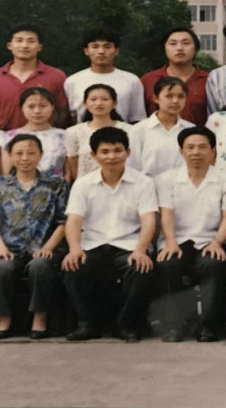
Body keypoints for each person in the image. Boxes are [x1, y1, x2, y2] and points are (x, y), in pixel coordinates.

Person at [62, 127, 157, 342]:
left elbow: (148, 220)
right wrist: (74, 249)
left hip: (129, 244)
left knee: (140, 267)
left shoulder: (143, 182)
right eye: (104, 152)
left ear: (128, 152)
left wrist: (141, 250)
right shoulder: (83, 183)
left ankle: (125, 324)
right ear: (94, 155)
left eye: (117, 150)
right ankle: (88, 324)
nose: (111, 156)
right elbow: (74, 220)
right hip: (92, 243)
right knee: (73, 265)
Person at [154, 126, 226, 343]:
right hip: (178, 239)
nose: (196, 152)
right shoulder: (167, 179)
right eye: (190, 148)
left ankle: (209, 325)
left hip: (213, 239)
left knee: (213, 263)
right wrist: (170, 243)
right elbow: (166, 214)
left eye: (202, 147)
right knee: (168, 264)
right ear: (181, 151)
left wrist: (217, 242)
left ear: (213, 151)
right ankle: (174, 325)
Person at [0, 134, 69, 339]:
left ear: (40, 155)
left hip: (46, 247)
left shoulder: (56, 184)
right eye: (19, 153)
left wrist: (48, 247)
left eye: (31, 153)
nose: (25, 158)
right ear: (10, 155)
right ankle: (4, 319)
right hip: (10, 247)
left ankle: (40, 318)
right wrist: (1, 249)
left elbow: (64, 221)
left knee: (39, 266)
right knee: (1, 268)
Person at [0, 24, 70, 131]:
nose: (24, 45)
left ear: (39, 47)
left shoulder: (56, 76)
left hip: (44, 137)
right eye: (19, 40)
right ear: (9, 45)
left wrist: (52, 133)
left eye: (31, 41)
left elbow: (63, 110)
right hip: (5, 137)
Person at [64, 28, 147, 124]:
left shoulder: (131, 80)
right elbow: (71, 117)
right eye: (95, 47)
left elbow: (137, 118)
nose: (101, 51)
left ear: (116, 51)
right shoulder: (73, 81)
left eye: (107, 47)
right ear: (86, 51)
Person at [141, 26, 210, 126]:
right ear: (164, 49)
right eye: (173, 44)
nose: (179, 48)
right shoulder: (148, 80)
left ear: (195, 49)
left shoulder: (209, 80)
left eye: (186, 43)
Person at [127, 77, 193, 177]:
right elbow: (131, 166)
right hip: (148, 185)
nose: (175, 101)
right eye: (169, 96)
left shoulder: (191, 130)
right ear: (156, 98)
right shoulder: (139, 130)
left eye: (181, 96)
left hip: (182, 184)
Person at [64, 84, 131, 181]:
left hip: (123, 184)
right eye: (93, 99)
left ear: (114, 103)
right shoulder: (73, 132)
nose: (99, 103)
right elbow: (73, 165)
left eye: (105, 99)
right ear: (85, 103)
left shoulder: (129, 130)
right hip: (86, 186)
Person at [0, 88, 67, 178]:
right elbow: (6, 173)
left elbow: (68, 172)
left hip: (57, 185)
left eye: (42, 106)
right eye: (31, 106)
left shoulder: (65, 136)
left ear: (52, 107)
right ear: (22, 108)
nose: (37, 111)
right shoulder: (9, 137)